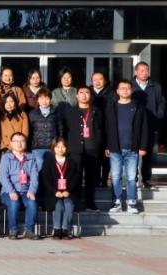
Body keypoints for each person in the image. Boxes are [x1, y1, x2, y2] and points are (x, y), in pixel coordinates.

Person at [105, 79, 148, 214]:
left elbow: (144, 128)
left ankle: (131, 203)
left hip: (133, 148)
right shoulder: (111, 107)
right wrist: (107, 145)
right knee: (116, 177)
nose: (125, 90)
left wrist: (143, 146)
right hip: (115, 148)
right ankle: (116, 202)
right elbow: (107, 128)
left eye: (127, 88)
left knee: (131, 177)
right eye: (122, 88)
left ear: (131, 90)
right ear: (117, 91)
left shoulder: (138, 107)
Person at [60, 86, 103, 210]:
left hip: (92, 149)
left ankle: (90, 203)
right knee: (76, 176)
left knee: (91, 177)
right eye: (81, 92)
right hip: (75, 149)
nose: (84, 95)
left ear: (91, 96)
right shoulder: (70, 111)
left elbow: (101, 129)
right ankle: (77, 202)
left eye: (87, 93)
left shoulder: (96, 111)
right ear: (76, 96)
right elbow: (65, 130)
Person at [0, 132, 40, 240]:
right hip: (8, 191)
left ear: (25, 143)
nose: (19, 143)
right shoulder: (6, 158)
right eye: (16, 141)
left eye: (22, 141)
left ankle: (29, 231)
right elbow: (3, 177)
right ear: (11, 143)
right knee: (14, 203)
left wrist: (32, 190)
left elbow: (35, 176)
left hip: (26, 191)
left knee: (32, 203)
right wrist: (11, 191)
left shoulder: (31, 157)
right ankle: (13, 230)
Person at [132, 62, 164, 190]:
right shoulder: (130, 86)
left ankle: (146, 179)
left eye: (146, 70)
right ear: (136, 72)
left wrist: (158, 115)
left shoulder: (155, 86)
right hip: (133, 125)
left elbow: (161, 102)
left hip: (150, 124)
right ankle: (132, 179)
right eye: (142, 70)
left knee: (148, 152)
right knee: (132, 153)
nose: (145, 73)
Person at [41, 138, 80, 240]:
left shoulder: (71, 161)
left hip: (69, 192)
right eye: (57, 147)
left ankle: (65, 229)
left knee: (68, 204)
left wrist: (68, 191)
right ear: (53, 148)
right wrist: (55, 191)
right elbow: (46, 179)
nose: (60, 149)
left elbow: (75, 179)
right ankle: (57, 229)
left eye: (63, 147)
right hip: (53, 193)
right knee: (58, 205)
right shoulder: (48, 161)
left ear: (66, 148)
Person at [28, 88, 62, 170]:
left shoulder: (56, 113)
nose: (44, 101)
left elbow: (61, 130)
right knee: (39, 168)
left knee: (52, 170)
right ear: (37, 100)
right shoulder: (32, 114)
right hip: (37, 147)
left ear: (50, 99)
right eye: (41, 98)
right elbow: (29, 131)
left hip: (53, 147)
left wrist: (59, 143)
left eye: (46, 98)